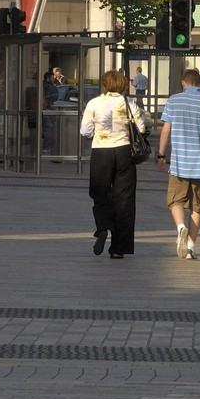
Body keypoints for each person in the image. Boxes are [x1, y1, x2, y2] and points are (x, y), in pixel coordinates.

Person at [79, 70, 148, 259]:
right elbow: (141, 127)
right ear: (123, 85)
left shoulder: (94, 103)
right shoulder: (128, 103)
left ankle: (103, 226)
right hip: (124, 150)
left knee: (99, 192)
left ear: (104, 84)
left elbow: (85, 131)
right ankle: (119, 248)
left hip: (101, 151)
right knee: (124, 198)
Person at [156, 68, 200, 260]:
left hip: (178, 164)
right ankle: (190, 248)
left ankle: (180, 228)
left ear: (183, 82)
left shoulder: (173, 101)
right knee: (197, 206)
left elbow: (165, 130)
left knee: (175, 200)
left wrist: (161, 155)